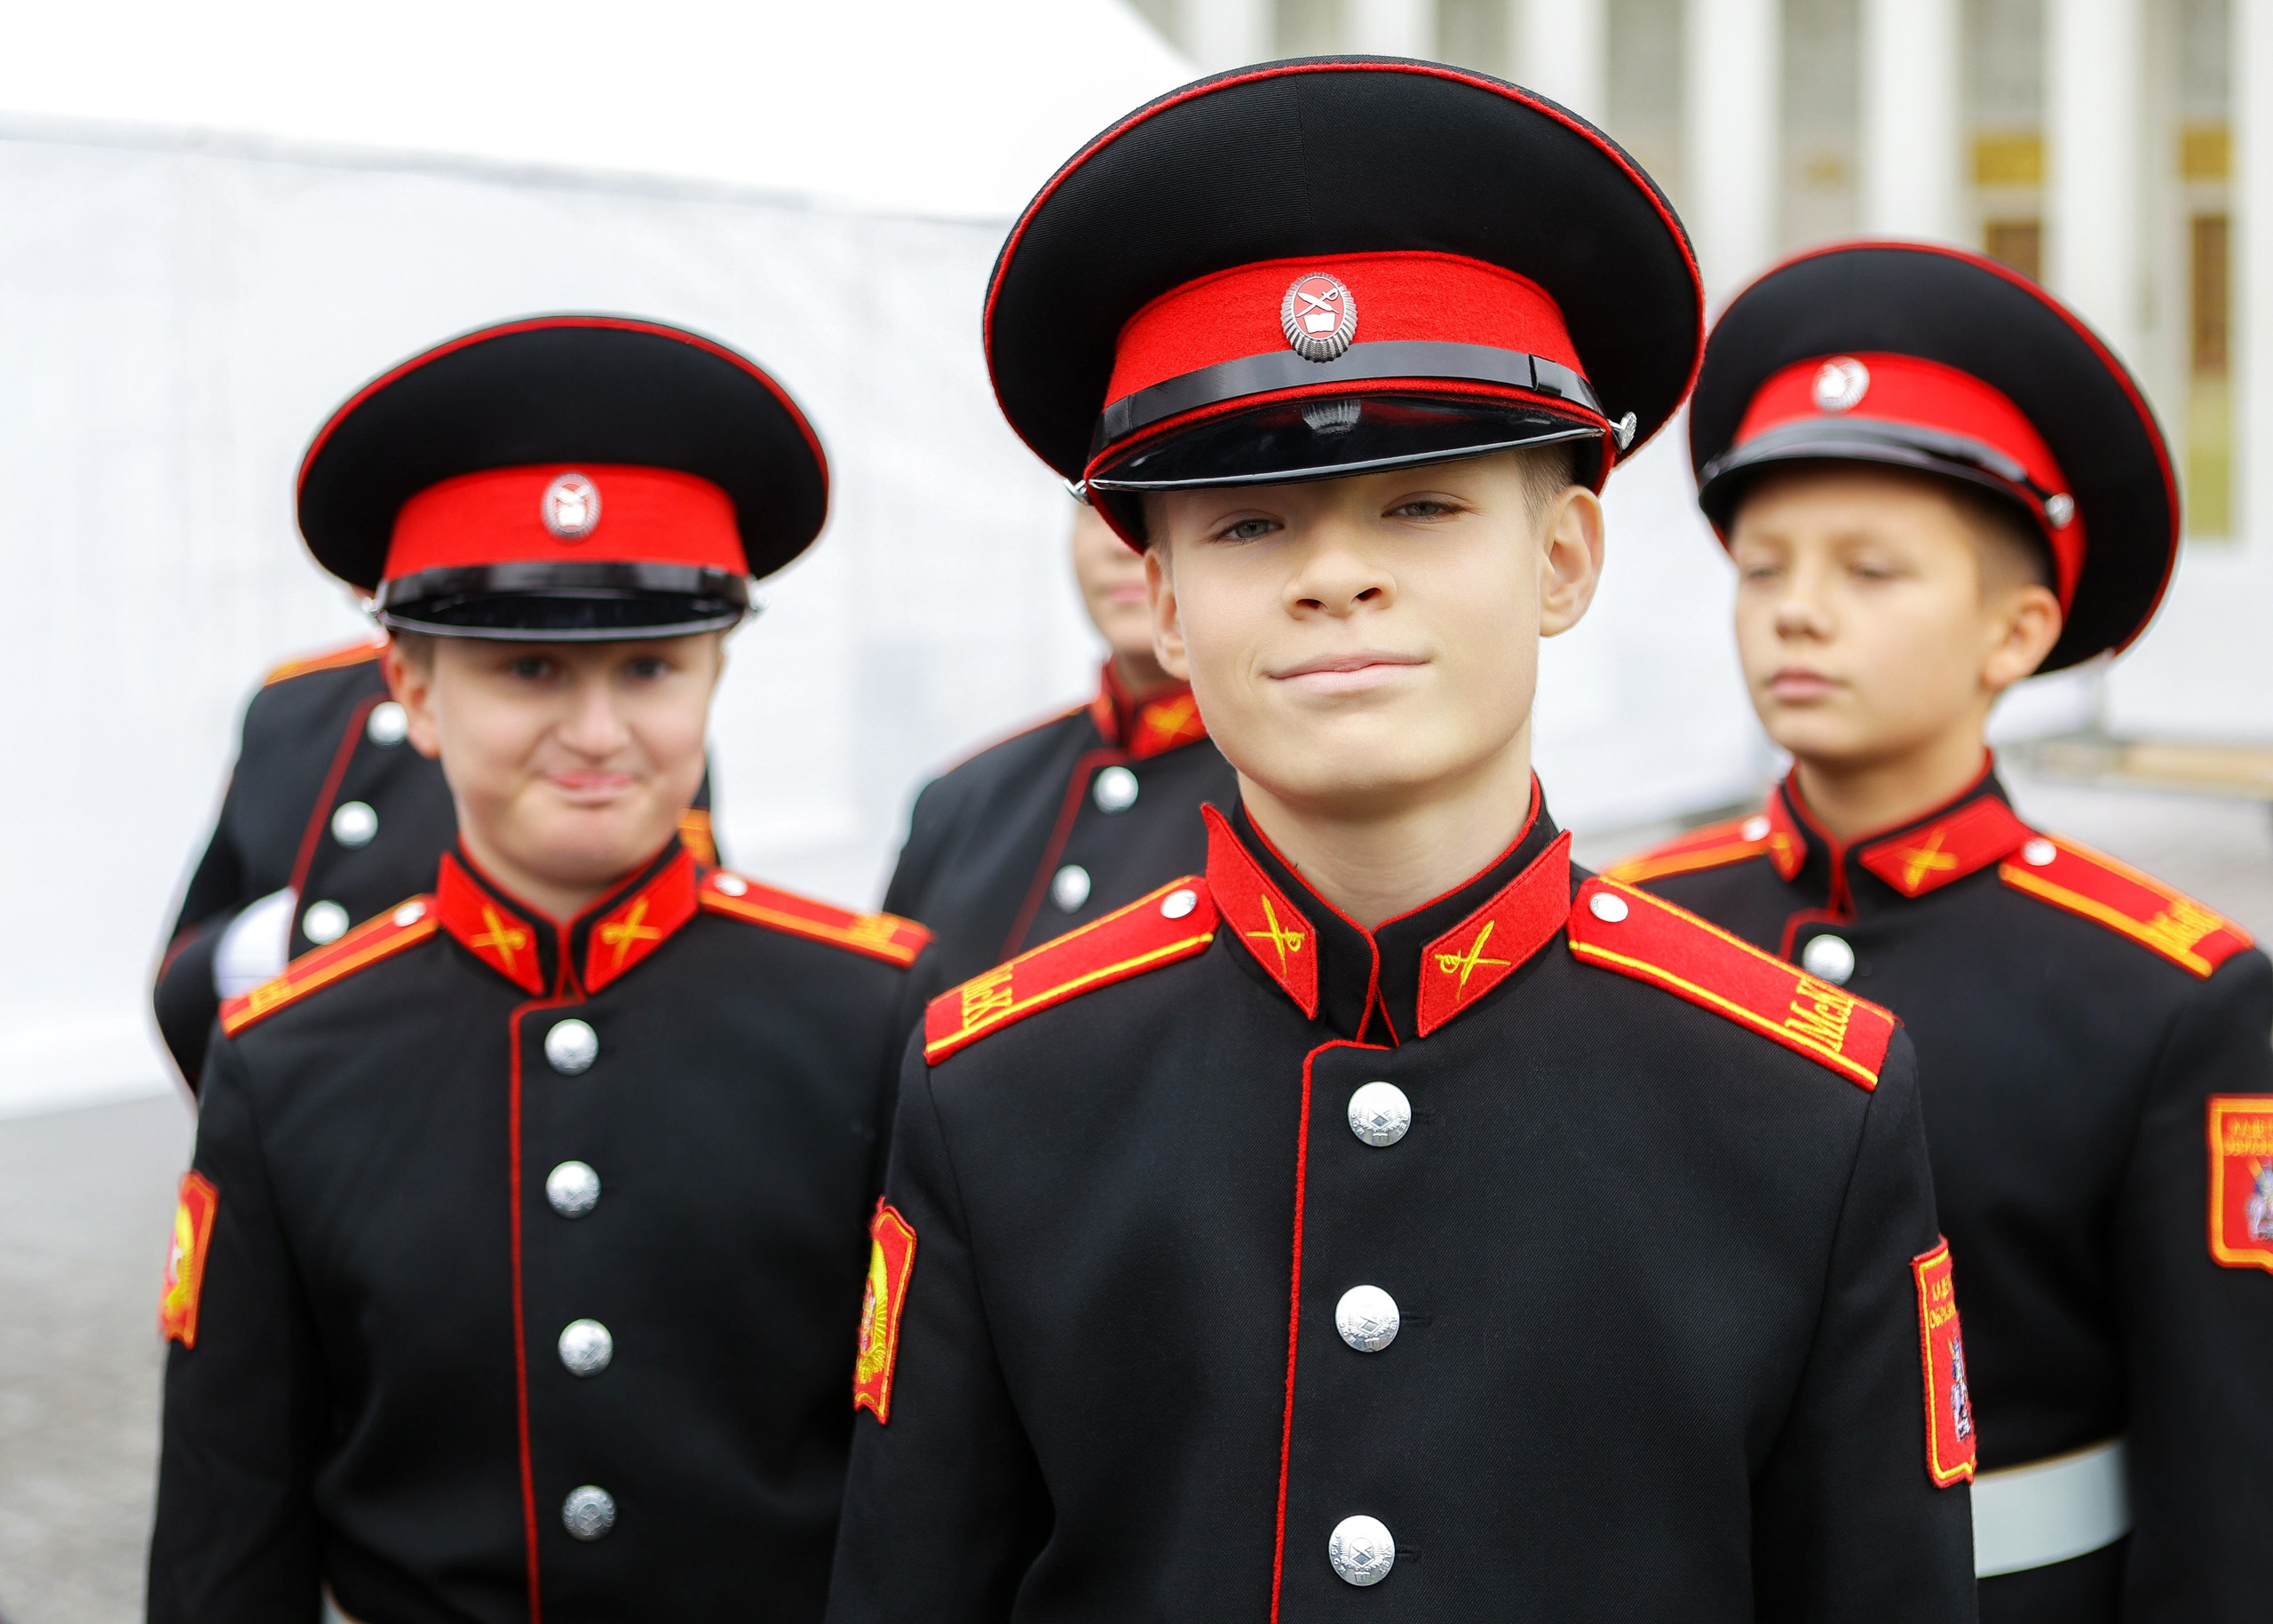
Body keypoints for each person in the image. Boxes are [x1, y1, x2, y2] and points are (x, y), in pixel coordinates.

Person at [825, 61, 1976, 1622]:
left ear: (1564, 553)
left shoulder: (1804, 1099)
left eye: (1423, 504)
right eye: (1246, 522)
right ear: (1160, 600)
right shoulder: (998, 1084)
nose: (1336, 575)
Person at [147, 315, 931, 1622]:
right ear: (411, 680)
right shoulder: (287, 1056)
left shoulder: (877, 1011)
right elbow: (229, 1525)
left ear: (717, 668)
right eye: (525, 667)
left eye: (650, 665)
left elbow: (941, 1489)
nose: (598, 731)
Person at [1608, 242, 2273, 1622]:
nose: (1798, 607)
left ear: (2015, 631)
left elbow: (2228, 1481)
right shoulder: (1636, 927)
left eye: (1872, 571)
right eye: (1766, 564)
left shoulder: (2167, 995)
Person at [152, 634, 717, 1091]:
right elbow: (186, 966)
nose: (596, 735)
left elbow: (677, 950)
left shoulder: (630, 731)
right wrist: (260, 951)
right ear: (415, 692)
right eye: (527, 669)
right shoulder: (293, 704)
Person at [883, 500, 1237, 984]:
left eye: (1159, 497)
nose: (1119, 541)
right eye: (1093, 504)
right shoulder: (960, 802)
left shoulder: (1311, 814)